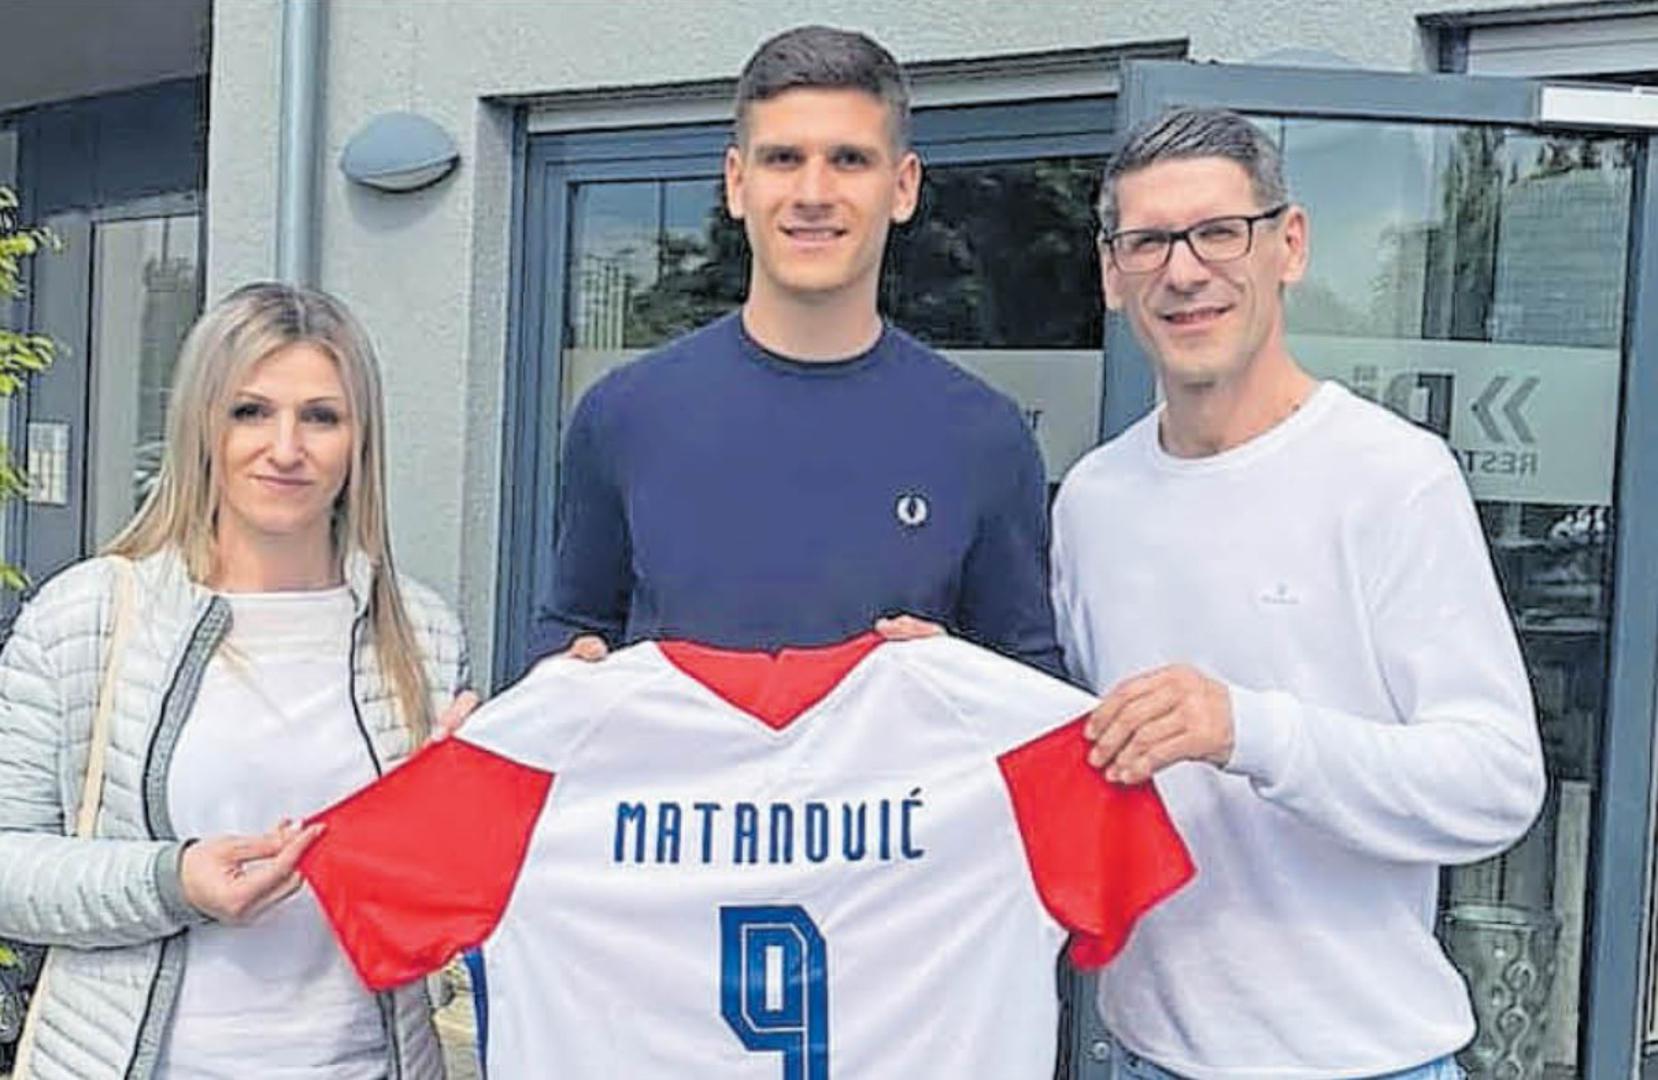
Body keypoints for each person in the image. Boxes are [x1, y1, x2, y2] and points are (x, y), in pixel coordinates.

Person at [1049, 108, 1546, 1079]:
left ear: (1289, 245)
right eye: (1148, 241)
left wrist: (1248, 731)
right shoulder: (1093, 502)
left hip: (1364, 1060)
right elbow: (1086, 752)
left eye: (1218, 232)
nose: (1183, 271)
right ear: (1111, 273)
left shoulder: (1392, 478)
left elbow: (1494, 784)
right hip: (1145, 1054)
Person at [0, 282, 473, 1080]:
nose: (285, 448)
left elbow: (436, 911)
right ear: (201, 425)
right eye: (250, 411)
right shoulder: (88, 616)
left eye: (321, 417)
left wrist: (465, 816)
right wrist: (172, 882)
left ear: (360, 440)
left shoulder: (422, 634)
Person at [531, 24, 1060, 675]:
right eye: (783, 158)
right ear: (737, 182)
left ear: (903, 187)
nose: (813, 195)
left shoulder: (985, 437)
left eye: (849, 160)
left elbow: (1030, 686)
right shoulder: (623, 416)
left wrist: (961, 672)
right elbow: (573, 629)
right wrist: (564, 669)